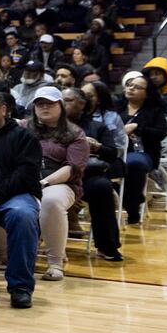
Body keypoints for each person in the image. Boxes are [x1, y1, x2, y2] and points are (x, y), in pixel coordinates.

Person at [0, 90, 43, 307]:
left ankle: (20, 286)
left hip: (14, 196)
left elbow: (25, 174)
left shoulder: (23, 137)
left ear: (4, 110)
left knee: (22, 216)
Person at [26, 86, 87, 281]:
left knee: (50, 201)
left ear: (60, 106)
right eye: (39, 104)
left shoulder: (75, 134)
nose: (44, 107)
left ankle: (55, 263)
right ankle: (6, 256)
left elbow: (73, 169)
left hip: (61, 183)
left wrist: (44, 182)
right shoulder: (24, 128)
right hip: (26, 179)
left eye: (50, 103)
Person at [62, 87, 122, 262]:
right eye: (61, 100)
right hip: (57, 175)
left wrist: (97, 147)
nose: (62, 103)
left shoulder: (97, 126)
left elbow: (112, 154)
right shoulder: (51, 126)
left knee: (102, 187)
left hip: (87, 176)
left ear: (82, 104)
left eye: (68, 100)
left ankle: (107, 246)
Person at [119, 71, 166, 226]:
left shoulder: (155, 111)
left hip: (143, 152)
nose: (131, 88)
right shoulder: (116, 106)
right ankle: (126, 196)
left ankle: (131, 207)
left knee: (134, 163)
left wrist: (137, 128)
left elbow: (160, 133)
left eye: (137, 87)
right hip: (114, 150)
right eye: (129, 85)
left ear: (146, 94)